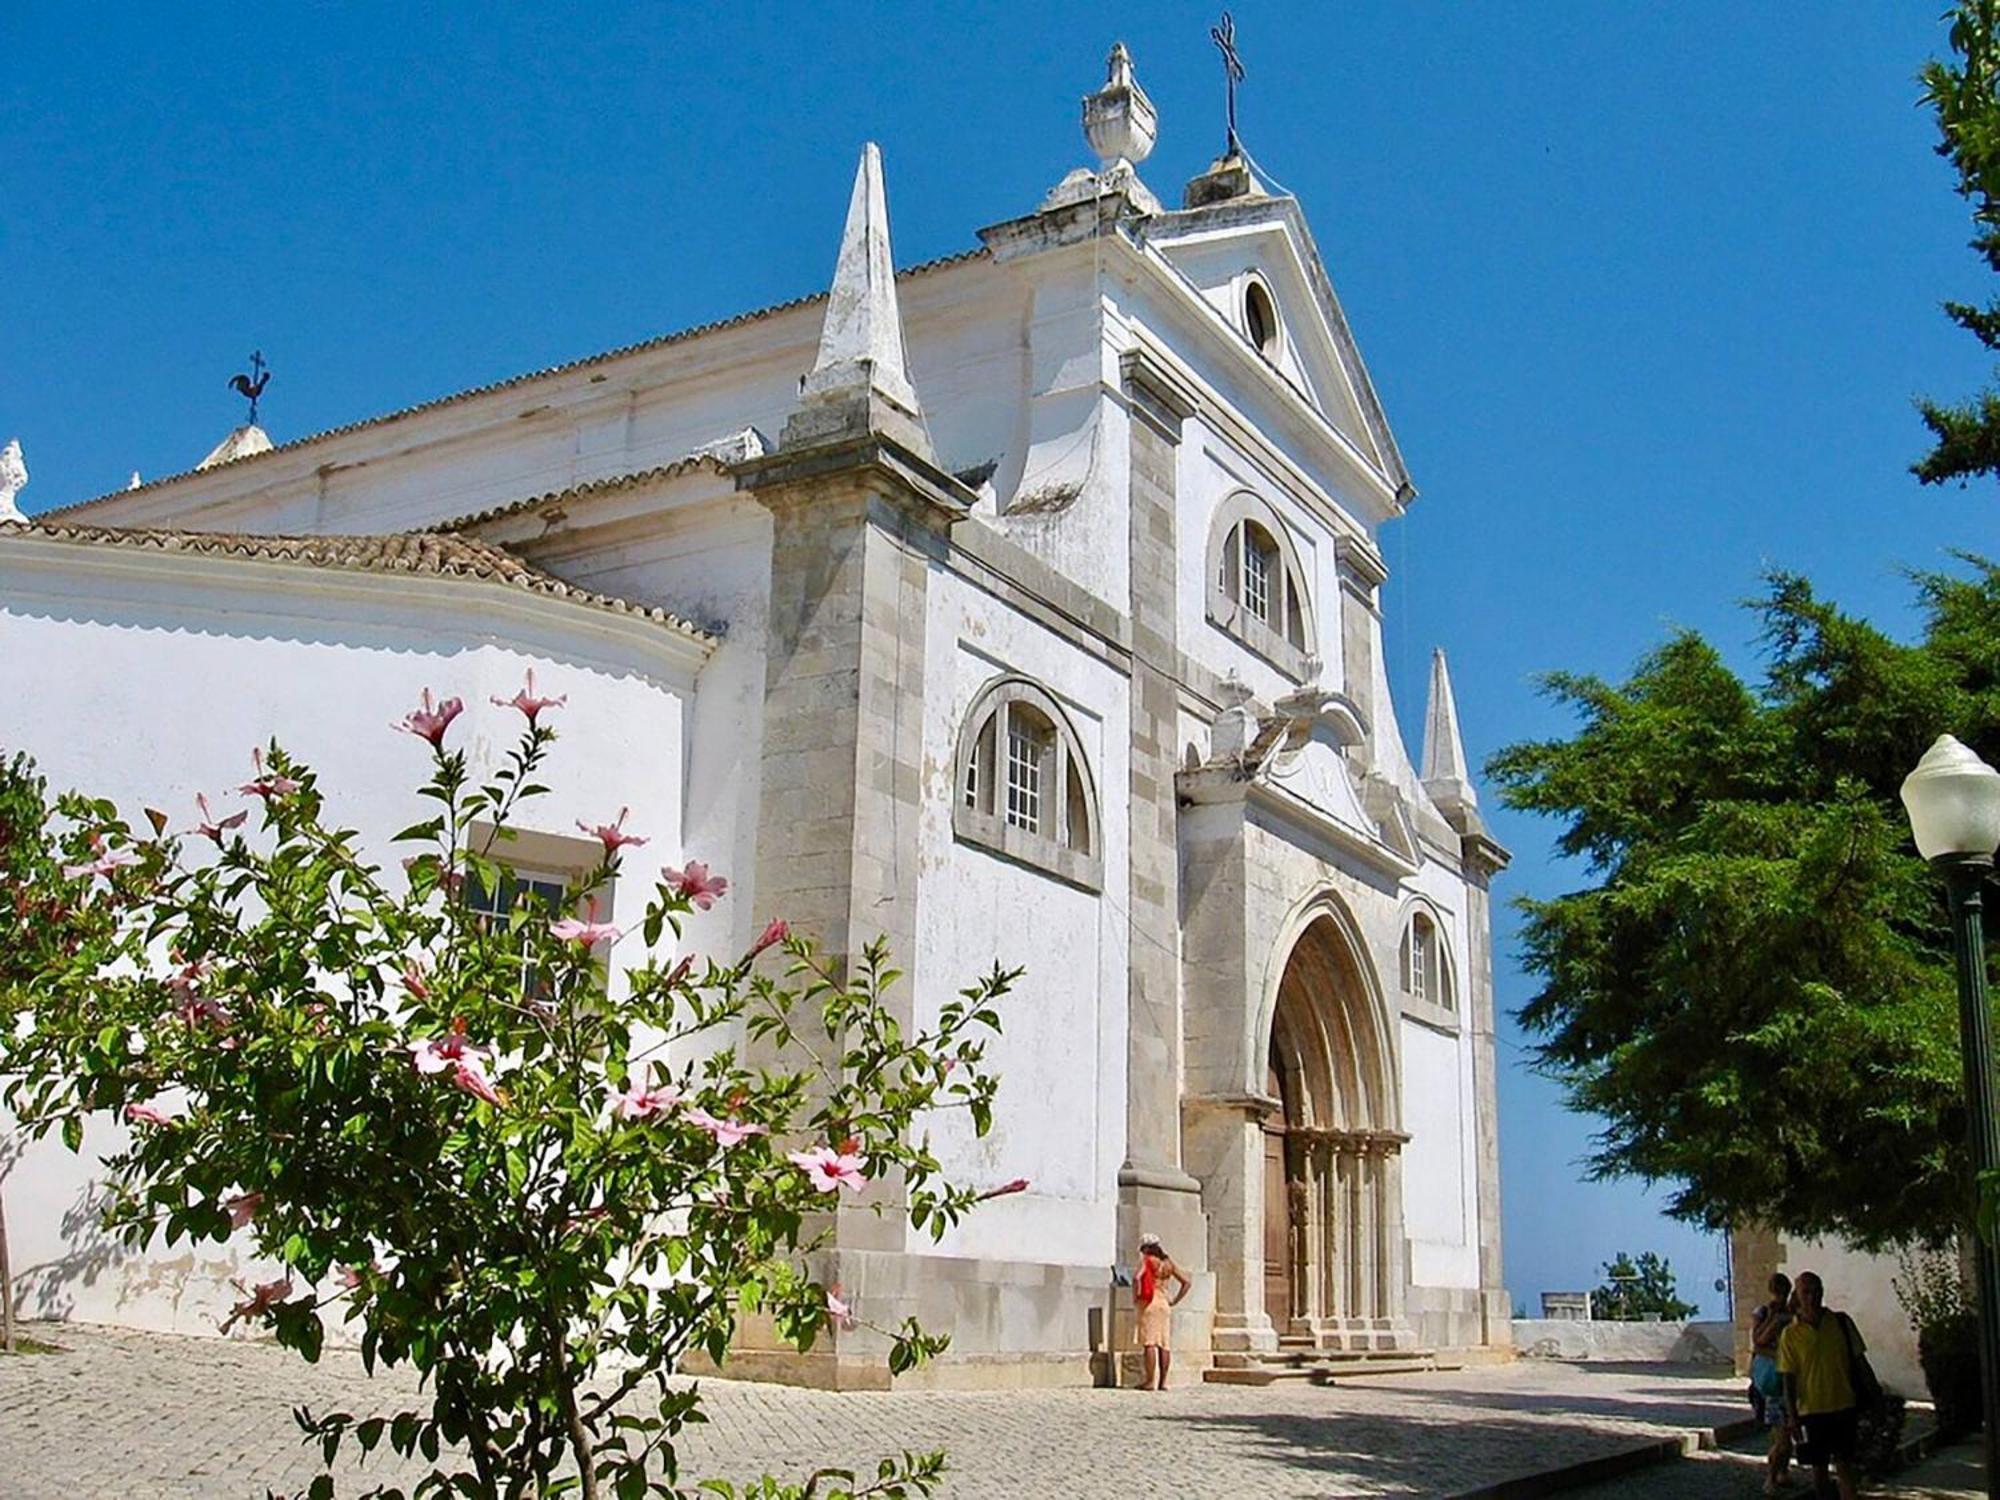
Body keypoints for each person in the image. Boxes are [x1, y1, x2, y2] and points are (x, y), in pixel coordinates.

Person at [1777, 1270, 1867, 1500]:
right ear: (1798, 1295)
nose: (1812, 1297)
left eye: (1817, 1291)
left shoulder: (1841, 1323)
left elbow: (1860, 1362)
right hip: (1811, 1411)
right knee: (1819, 1473)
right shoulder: (1790, 1334)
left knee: (1845, 1469)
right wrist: (1792, 1416)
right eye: (1806, 1292)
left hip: (1843, 1406)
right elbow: (1788, 1377)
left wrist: (1873, 1395)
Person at [1748, 1272, 1793, 1495]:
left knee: (1786, 1436)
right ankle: (1771, 1478)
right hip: (1776, 1383)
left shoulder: (1788, 1313)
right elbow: (1758, 1342)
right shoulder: (1769, 1314)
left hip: (1788, 1381)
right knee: (1783, 1436)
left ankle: (1781, 1473)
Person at [1134, 1232, 1190, 1391]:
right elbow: (1186, 1282)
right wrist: (1175, 1300)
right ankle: (1163, 1382)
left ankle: (1150, 1381)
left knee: (1149, 1342)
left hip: (1150, 1302)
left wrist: (1136, 1295)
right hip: (1164, 1302)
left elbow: (1137, 1277)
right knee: (1164, 1343)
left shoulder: (1147, 1260)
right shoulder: (1168, 1263)